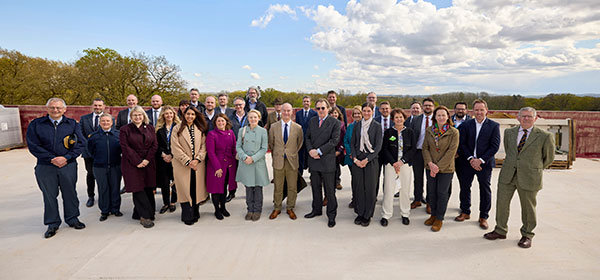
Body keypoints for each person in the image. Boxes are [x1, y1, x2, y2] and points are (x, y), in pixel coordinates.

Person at [484, 107, 555, 249]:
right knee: (502, 204)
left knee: (528, 208)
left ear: (535, 118)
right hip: (508, 175)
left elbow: (548, 158)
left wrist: (533, 169)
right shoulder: (509, 133)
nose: (526, 119)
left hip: (529, 176)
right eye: (523, 116)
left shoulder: (545, 136)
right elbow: (511, 152)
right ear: (518, 118)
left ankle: (527, 234)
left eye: (529, 116)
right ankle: (500, 230)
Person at [26, 97, 86, 238]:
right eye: (52, 107)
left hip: (68, 165)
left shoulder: (72, 124)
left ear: (65, 109)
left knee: (70, 193)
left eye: (59, 108)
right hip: (46, 166)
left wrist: (66, 157)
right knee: (49, 195)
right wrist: (51, 158)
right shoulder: (36, 124)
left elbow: (81, 144)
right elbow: (33, 145)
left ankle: (72, 219)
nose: (56, 110)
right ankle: (52, 223)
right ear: (47, 109)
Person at [455, 99, 500, 229]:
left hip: (484, 164)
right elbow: (462, 144)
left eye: (481, 109)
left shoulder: (494, 126)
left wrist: (480, 160)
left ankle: (483, 217)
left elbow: (494, 146)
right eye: (477, 110)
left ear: (486, 110)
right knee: (464, 187)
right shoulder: (466, 125)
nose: (479, 112)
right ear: (472, 111)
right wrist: (470, 159)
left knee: (485, 189)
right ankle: (465, 211)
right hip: (466, 162)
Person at [304, 98, 341, 228]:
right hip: (313, 160)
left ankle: (331, 216)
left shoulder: (335, 122)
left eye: (323, 108)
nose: (320, 110)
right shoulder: (313, 121)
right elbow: (307, 137)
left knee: (330, 191)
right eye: (318, 108)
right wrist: (310, 151)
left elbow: (334, 141)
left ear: (328, 109)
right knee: (315, 187)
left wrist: (319, 151)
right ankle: (316, 210)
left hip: (327, 161)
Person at [422, 106, 459, 232]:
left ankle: (439, 218)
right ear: (435, 117)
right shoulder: (429, 130)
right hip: (430, 167)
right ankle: (433, 214)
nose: (441, 117)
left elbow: (451, 152)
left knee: (442, 193)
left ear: (448, 116)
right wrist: (430, 164)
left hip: (446, 169)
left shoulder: (453, 132)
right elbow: (425, 148)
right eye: (439, 115)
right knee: (431, 192)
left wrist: (438, 167)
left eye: (443, 115)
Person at [120, 105, 158, 228]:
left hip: (148, 162)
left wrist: (146, 159)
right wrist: (137, 161)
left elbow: (154, 145)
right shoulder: (125, 129)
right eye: (135, 115)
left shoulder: (150, 128)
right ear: (131, 117)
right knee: (138, 188)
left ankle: (142, 212)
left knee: (148, 187)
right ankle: (144, 216)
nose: (137, 117)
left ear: (144, 116)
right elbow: (125, 147)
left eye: (140, 115)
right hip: (132, 163)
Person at [171, 106, 209, 225]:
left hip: (197, 165)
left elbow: (204, 146)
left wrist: (197, 159)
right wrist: (188, 161)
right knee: (184, 190)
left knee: (195, 188)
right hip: (183, 165)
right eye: (188, 114)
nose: (190, 116)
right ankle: (187, 215)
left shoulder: (200, 128)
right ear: (184, 115)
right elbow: (175, 148)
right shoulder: (176, 128)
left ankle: (195, 212)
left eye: (192, 114)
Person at [380, 109, 416, 226]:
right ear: (392, 119)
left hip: (405, 165)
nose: (399, 119)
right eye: (396, 117)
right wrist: (393, 162)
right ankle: (386, 214)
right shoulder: (388, 132)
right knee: (389, 190)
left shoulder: (410, 132)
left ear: (404, 118)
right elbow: (384, 149)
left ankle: (405, 213)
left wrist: (402, 162)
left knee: (405, 190)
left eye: (401, 117)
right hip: (391, 165)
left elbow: (413, 150)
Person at [268, 103, 303, 220]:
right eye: (284, 111)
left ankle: (290, 207)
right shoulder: (273, 127)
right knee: (278, 186)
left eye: (289, 111)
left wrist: (290, 153)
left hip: (292, 161)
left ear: (292, 112)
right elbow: (271, 144)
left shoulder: (298, 128)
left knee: (292, 187)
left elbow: (299, 144)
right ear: (280, 111)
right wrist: (279, 154)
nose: (286, 113)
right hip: (278, 161)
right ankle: (277, 207)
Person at [350, 103, 383, 227]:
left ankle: (367, 215)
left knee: (369, 188)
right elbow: (353, 143)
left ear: (373, 112)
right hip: (357, 160)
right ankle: (360, 212)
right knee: (359, 187)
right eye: (364, 111)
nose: (366, 113)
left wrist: (367, 159)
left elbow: (378, 146)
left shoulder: (377, 126)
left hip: (371, 161)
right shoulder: (357, 125)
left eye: (369, 111)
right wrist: (355, 158)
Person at [87, 113, 122, 221]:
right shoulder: (94, 137)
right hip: (99, 167)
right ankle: (105, 211)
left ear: (112, 122)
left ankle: (115, 209)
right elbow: (90, 151)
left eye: (108, 121)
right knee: (103, 189)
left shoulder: (119, 134)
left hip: (115, 165)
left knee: (115, 187)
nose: (105, 123)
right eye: (103, 121)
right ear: (99, 122)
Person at [236, 109, 270, 221]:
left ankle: (257, 210)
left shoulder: (263, 131)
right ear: (247, 118)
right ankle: (250, 209)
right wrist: (245, 157)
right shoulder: (242, 130)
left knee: (258, 188)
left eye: (255, 117)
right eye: (250, 117)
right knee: (248, 188)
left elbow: (264, 148)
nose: (253, 119)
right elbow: (238, 147)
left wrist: (253, 158)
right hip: (246, 163)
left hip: (257, 163)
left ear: (259, 118)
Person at [206, 114, 237, 220]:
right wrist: (217, 167)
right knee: (216, 189)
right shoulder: (211, 134)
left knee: (224, 188)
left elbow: (234, 148)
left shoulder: (231, 133)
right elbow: (211, 152)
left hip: (229, 165)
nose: (221, 123)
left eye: (222, 121)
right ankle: (217, 210)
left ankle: (223, 207)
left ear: (226, 122)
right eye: (218, 121)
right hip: (216, 166)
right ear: (215, 123)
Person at [80, 98, 110, 208]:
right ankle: (91, 196)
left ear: (104, 106)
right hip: (88, 152)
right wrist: (88, 147)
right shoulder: (84, 119)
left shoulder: (109, 118)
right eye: (95, 105)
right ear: (92, 106)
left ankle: (104, 196)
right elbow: (81, 134)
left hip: (104, 152)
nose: (97, 107)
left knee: (104, 175)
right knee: (91, 174)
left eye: (99, 105)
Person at [408, 97, 435, 214]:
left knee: (431, 179)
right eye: (426, 105)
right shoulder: (416, 120)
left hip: (432, 154)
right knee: (418, 178)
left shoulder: (437, 119)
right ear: (422, 107)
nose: (427, 107)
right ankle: (417, 199)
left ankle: (429, 202)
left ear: (433, 107)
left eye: (430, 105)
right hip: (418, 152)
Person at [155, 106, 180, 214]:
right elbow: (156, 144)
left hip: (175, 158)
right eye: (166, 114)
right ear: (163, 116)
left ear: (174, 114)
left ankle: (173, 202)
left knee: (175, 181)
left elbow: (180, 144)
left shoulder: (179, 127)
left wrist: (172, 155)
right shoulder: (159, 129)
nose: (169, 115)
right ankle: (166, 203)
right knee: (164, 182)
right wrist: (163, 154)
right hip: (163, 159)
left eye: (171, 113)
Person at [226, 96, 247, 202]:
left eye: (240, 104)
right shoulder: (229, 117)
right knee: (232, 172)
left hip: (247, 148)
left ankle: (248, 192)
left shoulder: (249, 116)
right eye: (236, 105)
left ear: (244, 105)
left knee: (247, 171)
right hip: (233, 148)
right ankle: (232, 192)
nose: (238, 107)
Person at [344, 106, 362, 208]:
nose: (356, 115)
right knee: (354, 179)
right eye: (354, 114)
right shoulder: (350, 127)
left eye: (358, 113)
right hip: (351, 158)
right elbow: (346, 140)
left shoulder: (365, 126)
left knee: (361, 180)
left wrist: (358, 155)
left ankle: (361, 199)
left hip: (361, 158)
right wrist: (351, 153)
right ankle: (354, 199)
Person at [295, 95, 318, 176]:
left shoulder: (314, 113)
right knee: (300, 157)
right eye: (304, 101)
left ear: (310, 103)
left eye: (307, 101)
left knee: (310, 157)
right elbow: (296, 126)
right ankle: (299, 175)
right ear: (302, 103)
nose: (306, 103)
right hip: (300, 139)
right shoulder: (298, 113)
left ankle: (312, 175)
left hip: (310, 140)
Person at [330, 106, 346, 191]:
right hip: (329, 149)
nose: (334, 114)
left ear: (338, 114)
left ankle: (337, 181)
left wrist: (340, 150)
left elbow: (344, 138)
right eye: (332, 113)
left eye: (335, 113)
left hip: (338, 149)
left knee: (336, 166)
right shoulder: (327, 123)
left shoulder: (342, 124)